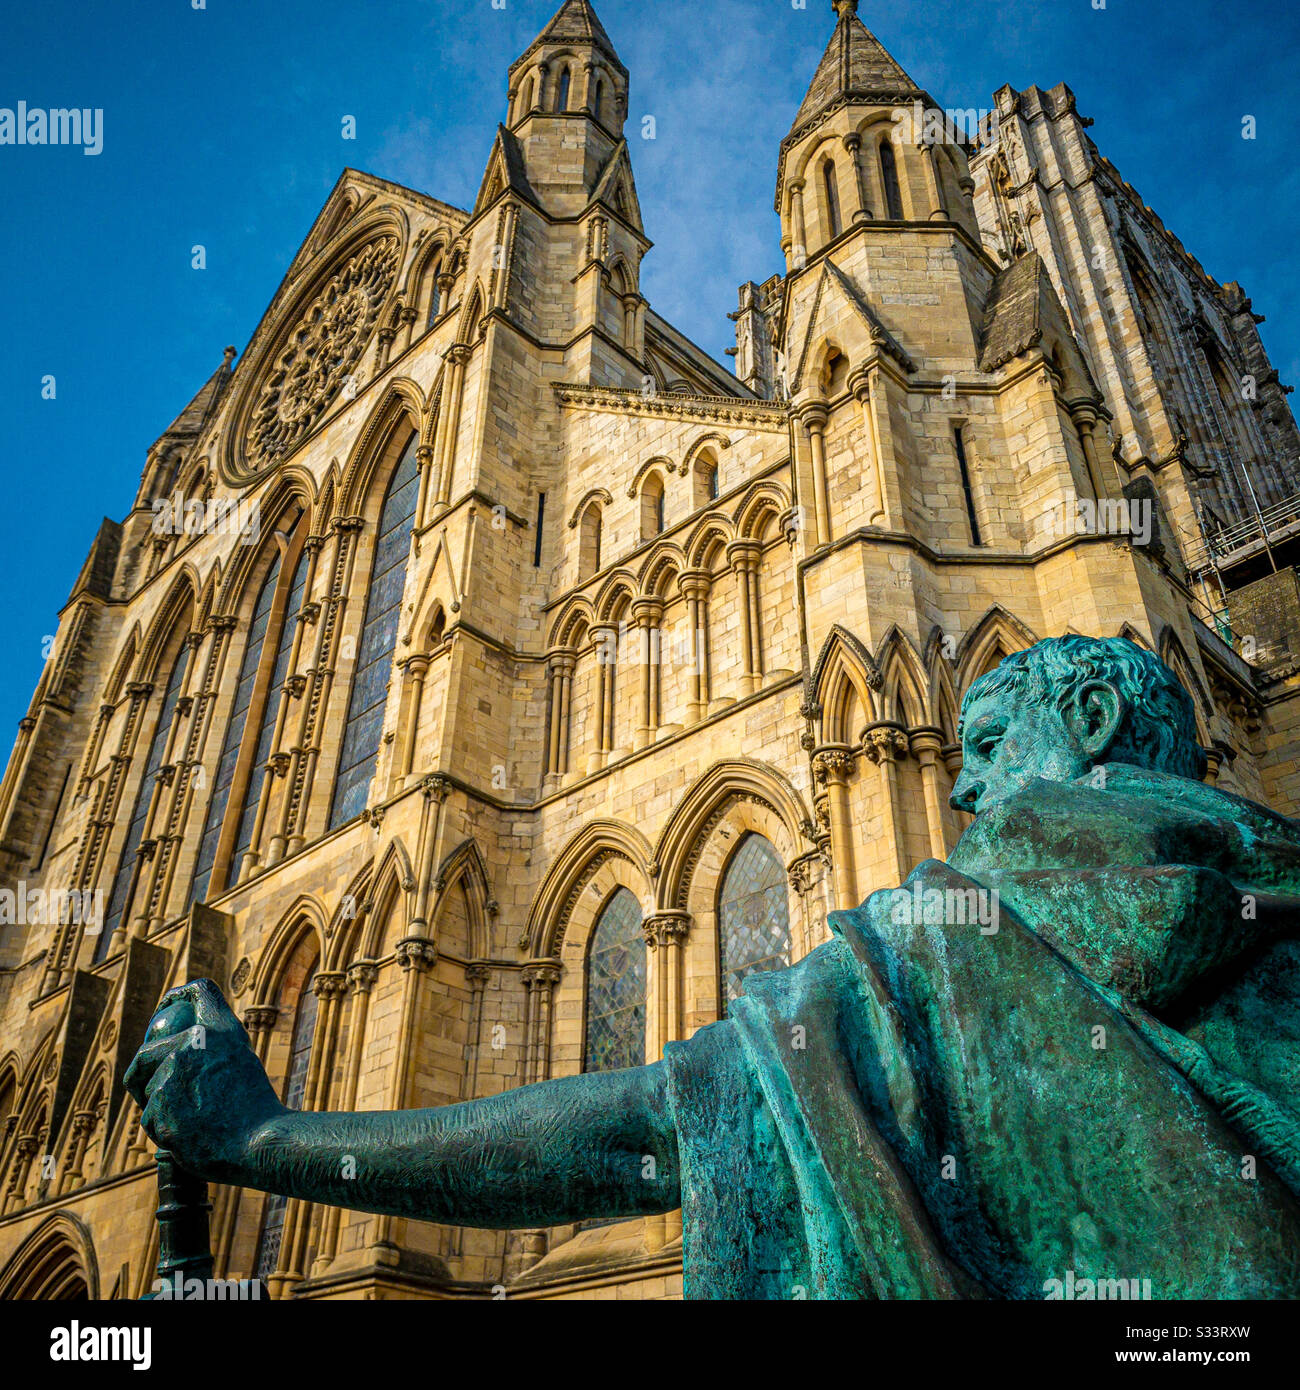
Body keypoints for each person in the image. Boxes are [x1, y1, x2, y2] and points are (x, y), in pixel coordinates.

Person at [127, 636, 1300, 1299]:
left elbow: (646, 1131)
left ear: (1091, 717)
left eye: (986, 745)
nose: (958, 789)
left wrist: (260, 1141)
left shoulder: (982, 936)